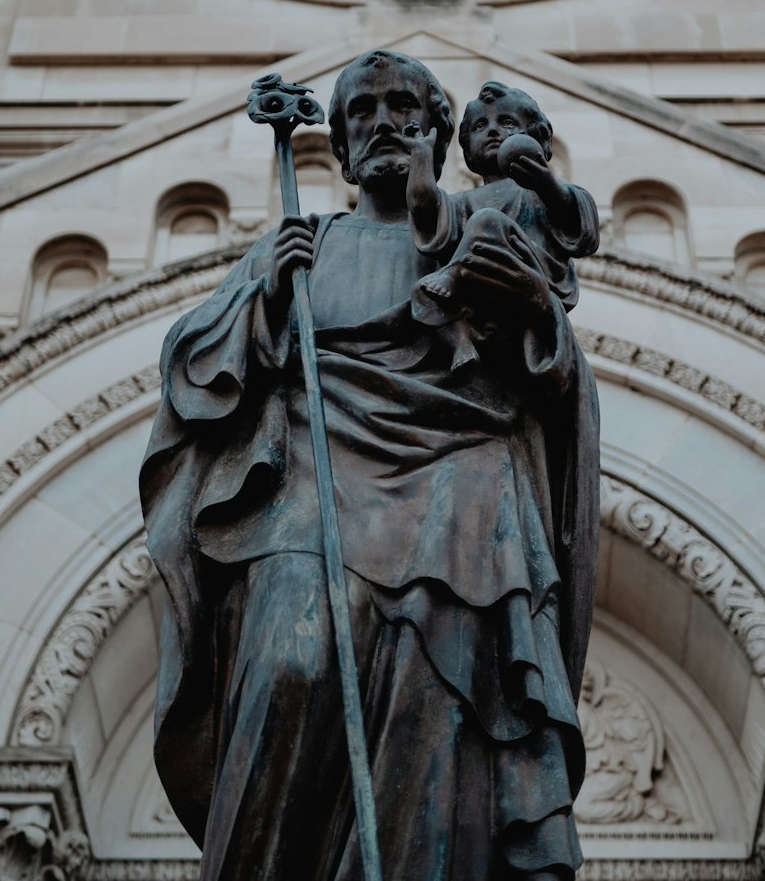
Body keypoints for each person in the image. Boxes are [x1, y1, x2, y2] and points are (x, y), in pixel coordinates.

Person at [140, 50, 600, 880]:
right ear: (342, 150)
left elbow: (555, 375)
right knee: (287, 665)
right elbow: (192, 369)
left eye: (403, 106)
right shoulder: (301, 242)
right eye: (362, 112)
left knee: (436, 705)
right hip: (310, 480)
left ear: (436, 128)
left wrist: (534, 307)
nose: (384, 122)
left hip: (461, 487)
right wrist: (266, 298)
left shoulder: (475, 227)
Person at [406, 81, 599, 371]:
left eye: (506, 122)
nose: (493, 130)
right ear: (468, 148)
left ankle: (455, 273)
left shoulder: (542, 193)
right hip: (474, 294)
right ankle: (461, 345)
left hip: (520, 274)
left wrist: (546, 183)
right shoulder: (460, 202)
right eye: (480, 126)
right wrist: (420, 157)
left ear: (534, 136)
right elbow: (424, 210)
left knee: (487, 219)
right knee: (422, 294)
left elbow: (582, 228)